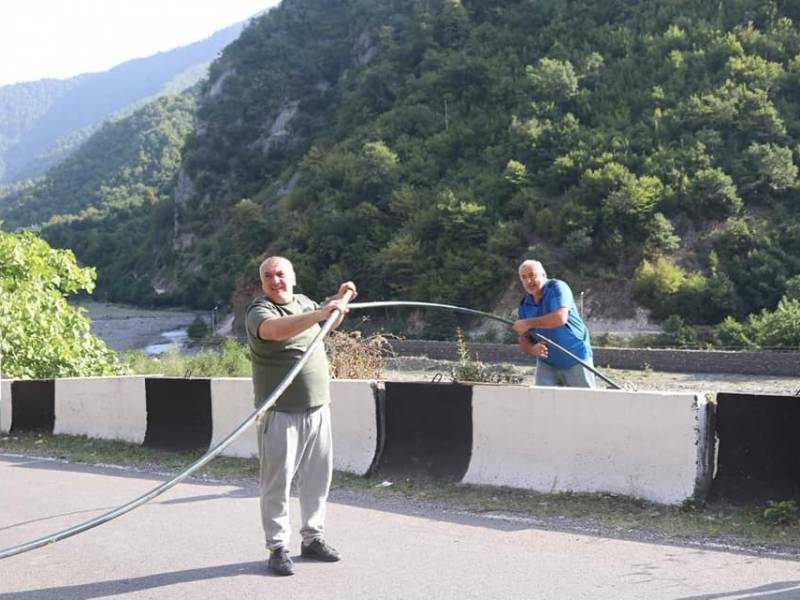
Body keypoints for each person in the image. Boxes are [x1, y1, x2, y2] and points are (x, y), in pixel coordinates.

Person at [245, 256, 357, 576]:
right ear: (263, 283)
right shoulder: (260, 311)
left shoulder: (304, 302)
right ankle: (278, 547)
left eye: (280, 274)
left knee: (317, 479)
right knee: (277, 484)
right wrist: (322, 311)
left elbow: (325, 325)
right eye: (268, 276)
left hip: (318, 408)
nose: (275, 280)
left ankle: (313, 538)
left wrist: (336, 304)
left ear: (292, 277)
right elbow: (274, 331)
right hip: (280, 413)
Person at [511, 259, 595, 388]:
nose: (529, 281)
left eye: (532, 275)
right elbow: (523, 338)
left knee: (585, 403)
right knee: (543, 402)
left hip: (575, 357)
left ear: (543, 274)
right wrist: (532, 349)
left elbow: (560, 318)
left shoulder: (557, 287)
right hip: (547, 362)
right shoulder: (525, 303)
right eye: (524, 277)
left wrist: (528, 323)